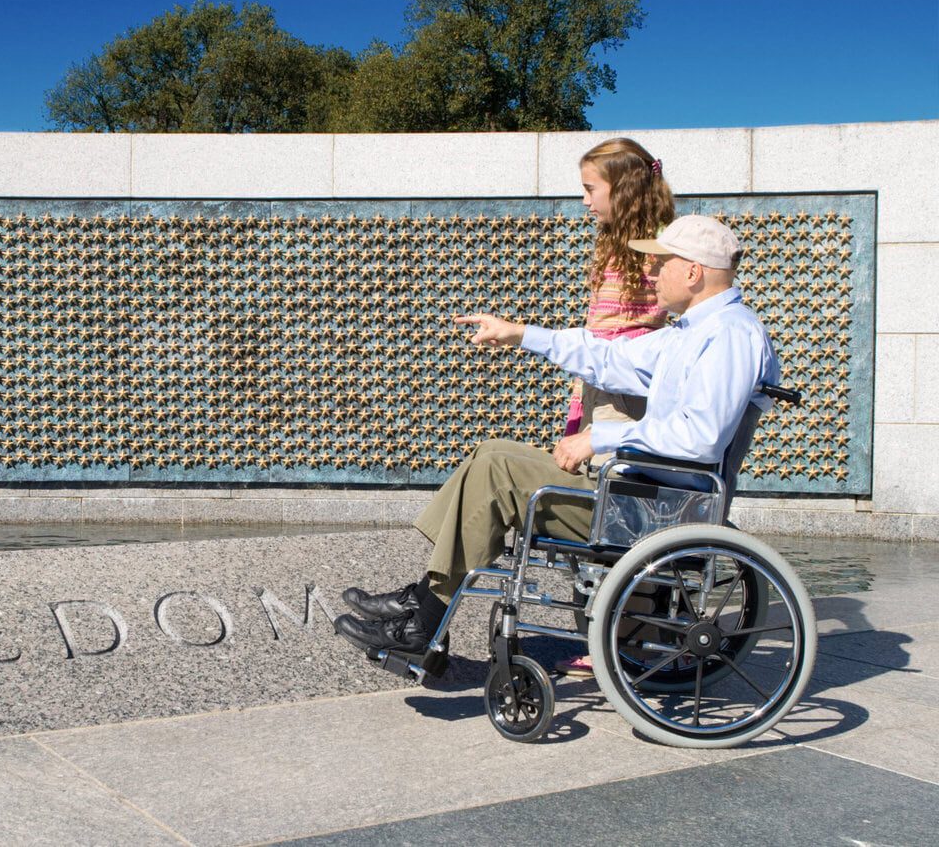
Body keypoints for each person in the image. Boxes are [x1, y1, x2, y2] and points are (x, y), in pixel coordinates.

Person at [334, 215, 779, 659]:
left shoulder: (731, 335)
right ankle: (425, 600)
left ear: (693, 271)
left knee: (497, 472)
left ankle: (424, 622)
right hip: (640, 494)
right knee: (492, 451)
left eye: (662, 263)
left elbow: (701, 437)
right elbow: (608, 357)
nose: (653, 273)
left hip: (657, 509)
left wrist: (600, 437)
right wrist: (521, 335)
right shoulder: (692, 332)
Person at [559, 138, 675, 675]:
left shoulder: (653, 252)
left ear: (622, 188)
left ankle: (625, 638)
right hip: (601, 389)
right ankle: (613, 629)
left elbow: (646, 328)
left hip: (625, 399)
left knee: (620, 517)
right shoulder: (615, 244)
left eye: (590, 189)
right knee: (604, 513)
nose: (584, 201)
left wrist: (594, 349)